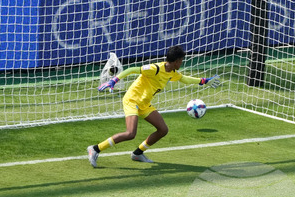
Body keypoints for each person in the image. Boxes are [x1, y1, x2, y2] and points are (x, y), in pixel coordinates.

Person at [88, 45, 218, 167]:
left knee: (163, 130)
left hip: (144, 104)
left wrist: (204, 81)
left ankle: (137, 153)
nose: (182, 63)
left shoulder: (172, 72)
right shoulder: (154, 69)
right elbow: (132, 69)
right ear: (176, 61)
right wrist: (113, 80)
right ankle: (95, 149)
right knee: (130, 133)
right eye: (181, 60)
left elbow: (185, 79)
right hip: (132, 100)